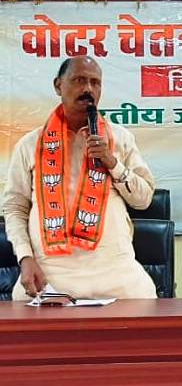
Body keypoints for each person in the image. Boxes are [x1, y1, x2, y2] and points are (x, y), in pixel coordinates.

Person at [2, 56, 157, 300]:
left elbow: (144, 199)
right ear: (58, 86)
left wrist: (112, 163)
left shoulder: (120, 139)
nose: (88, 89)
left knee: (147, 300)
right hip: (50, 270)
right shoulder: (30, 144)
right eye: (79, 80)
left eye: (95, 83)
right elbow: (14, 208)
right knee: (21, 301)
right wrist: (25, 257)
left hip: (115, 271)